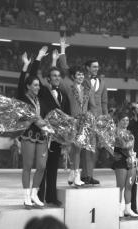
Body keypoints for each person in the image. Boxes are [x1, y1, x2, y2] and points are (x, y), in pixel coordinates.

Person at [33, 48, 70, 207]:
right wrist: (39, 58)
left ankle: (51, 196)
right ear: (48, 79)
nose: (56, 78)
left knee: (53, 167)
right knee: (42, 167)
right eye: (53, 76)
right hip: (44, 135)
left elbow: (67, 116)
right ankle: (39, 196)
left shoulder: (64, 95)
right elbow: (33, 76)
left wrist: (66, 135)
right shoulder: (43, 92)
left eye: (58, 76)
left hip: (57, 137)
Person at [57, 40, 97, 186]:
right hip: (73, 121)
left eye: (82, 75)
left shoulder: (87, 90)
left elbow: (92, 106)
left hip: (84, 123)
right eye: (78, 75)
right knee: (75, 149)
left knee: (78, 149)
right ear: (73, 76)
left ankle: (74, 174)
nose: (81, 77)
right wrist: (62, 50)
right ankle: (75, 175)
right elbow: (63, 68)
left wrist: (91, 117)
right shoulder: (68, 86)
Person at [17, 50, 49, 208]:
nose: (38, 87)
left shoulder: (40, 99)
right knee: (28, 166)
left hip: (42, 135)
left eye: (38, 85)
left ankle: (35, 194)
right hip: (28, 135)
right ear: (28, 86)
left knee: (42, 166)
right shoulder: (23, 97)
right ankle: (26, 196)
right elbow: (21, 81)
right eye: (35, 85)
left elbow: (35, 77)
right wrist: (28, 65)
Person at [79, 56, 108, 184]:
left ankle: (89, 175)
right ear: (88, 68)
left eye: (97, 66)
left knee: (93, 148)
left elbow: (104, 102)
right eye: (94, 66)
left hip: (99, 118)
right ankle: (84, 175)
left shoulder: (102, 82)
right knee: (86, 148)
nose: (97, 68)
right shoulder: (82, 80)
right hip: (86, 117)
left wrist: (105, 118)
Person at [112, 112, 138, 218]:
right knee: (120, 187)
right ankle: (119, 209)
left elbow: (130, 146)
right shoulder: (114, 132)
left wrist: (131, 153)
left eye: (127, 120)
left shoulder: (130, 133)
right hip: (120, 161)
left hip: (130, 160)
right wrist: (112, 154)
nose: (125, 122)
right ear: (118, 121)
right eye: (123, 120)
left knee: (129, 186)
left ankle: (128, 209)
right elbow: (111, 146)